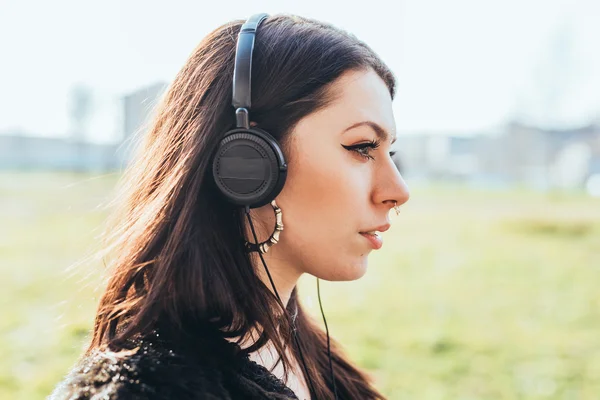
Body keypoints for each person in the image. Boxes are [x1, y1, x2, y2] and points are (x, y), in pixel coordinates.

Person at [50, 12, 409, 400]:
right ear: (248, 162)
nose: (398, 191)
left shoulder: (324, 369)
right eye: (361, 148)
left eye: (389, 152)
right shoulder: (138, 390)